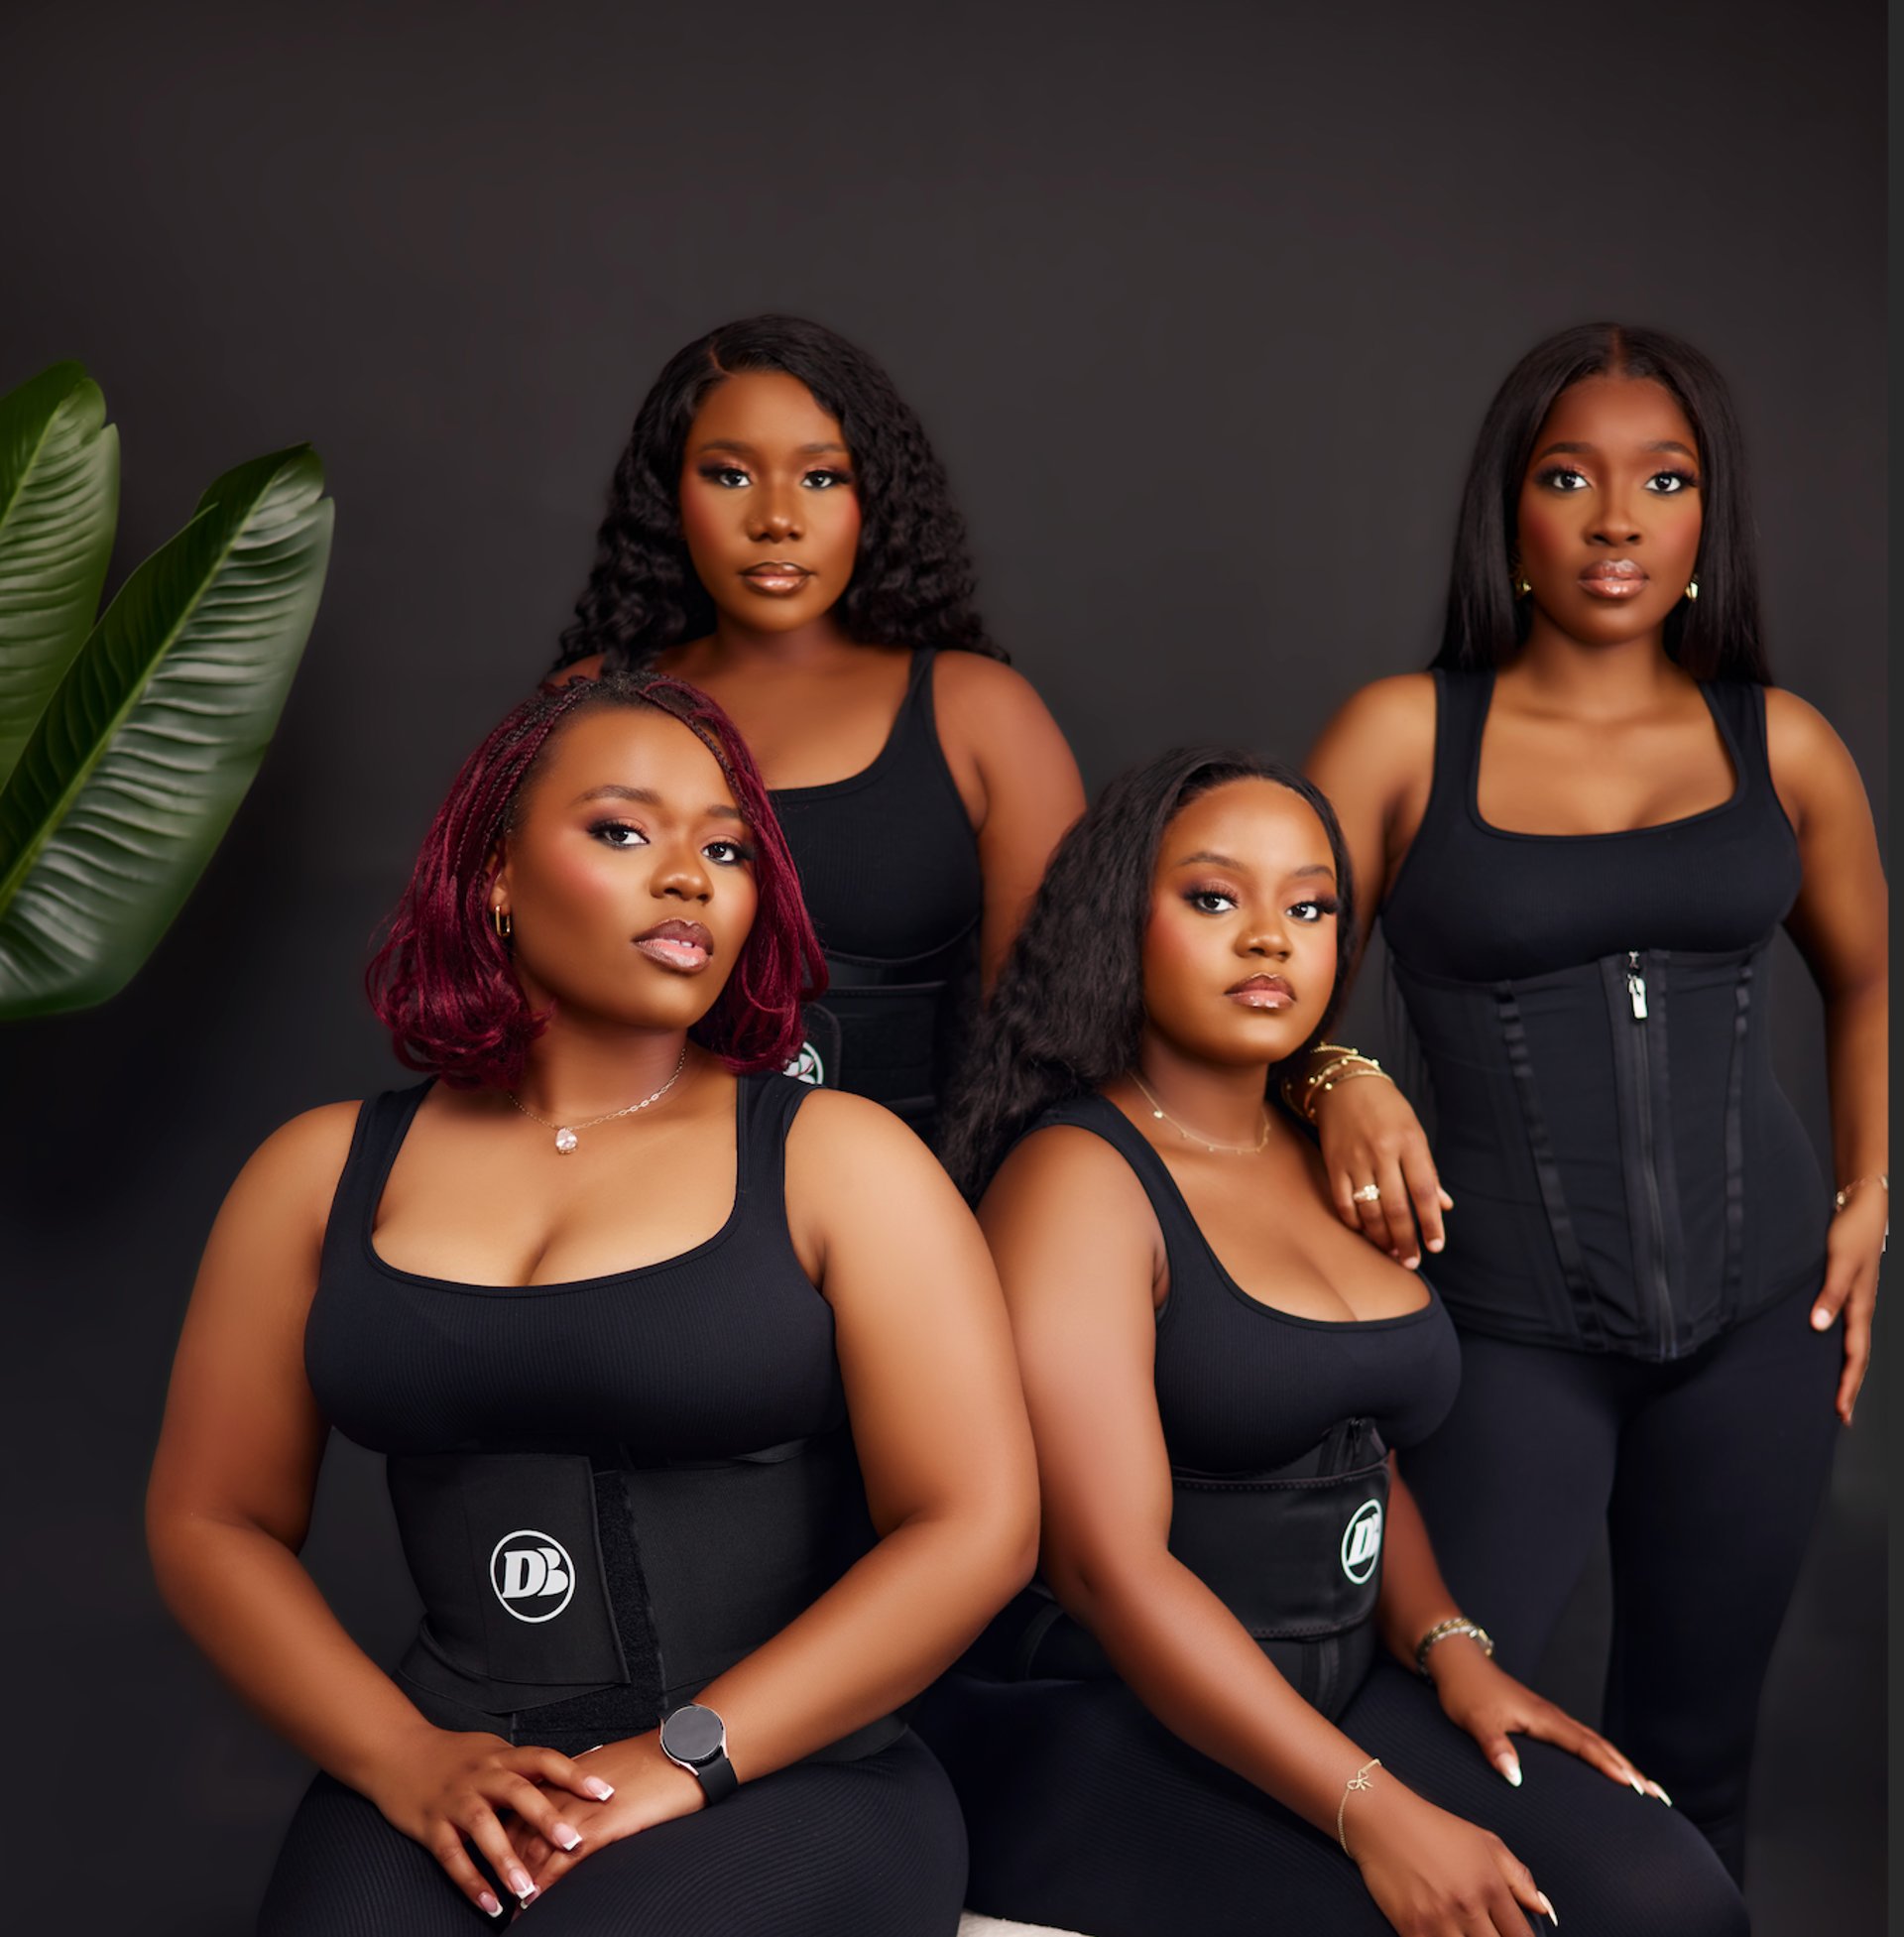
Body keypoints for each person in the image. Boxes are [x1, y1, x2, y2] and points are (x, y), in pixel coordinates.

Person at [145, 670, 1039, 1935]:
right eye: (624, 830)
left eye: (725, 847)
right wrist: (403, 1757)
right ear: (495, 874)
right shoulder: (316, 1172)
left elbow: (977, 1524)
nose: (688, 876)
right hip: (449, 1772)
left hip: (785, 1776)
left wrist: (682, 1756)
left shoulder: (838, 1158)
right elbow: (210, 1518)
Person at [918, 747, 1744, 1937]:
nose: (1271, 939)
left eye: (1309, 906)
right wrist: (1376, 1811)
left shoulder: (1326, 1152)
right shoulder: (1075, 1181)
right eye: (1215, 899)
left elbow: (1353, 1447)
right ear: (1119, 924)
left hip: (1350, 1680)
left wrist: (1452, 1647)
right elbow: (1112, 1569)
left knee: (1672, 1899)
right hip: (1117, 1719)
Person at [1302, 321, 1887, 1879]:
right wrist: (1342, 1071)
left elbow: (1870, 975)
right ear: (1514, 511)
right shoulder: (1402, 733)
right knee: (1442, 1735)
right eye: (1571, 477)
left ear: (1709, 517)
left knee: (1701, 1764)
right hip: (1496, 1329)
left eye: (1664, 479)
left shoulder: (1787, 746)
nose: (1617, 519)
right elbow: (1253, 986)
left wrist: (1872, 1191)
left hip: (1763, 1329)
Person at [550, 313, 1084, 1141]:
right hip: (625, 1181)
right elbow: (513, 978)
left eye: (822, 478)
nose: (775, 519)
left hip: (917, 1194)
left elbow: (1052, 1036)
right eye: (729, 476)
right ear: (669, 492)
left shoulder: (981, 713)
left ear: (877, 494)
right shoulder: (587, 705)